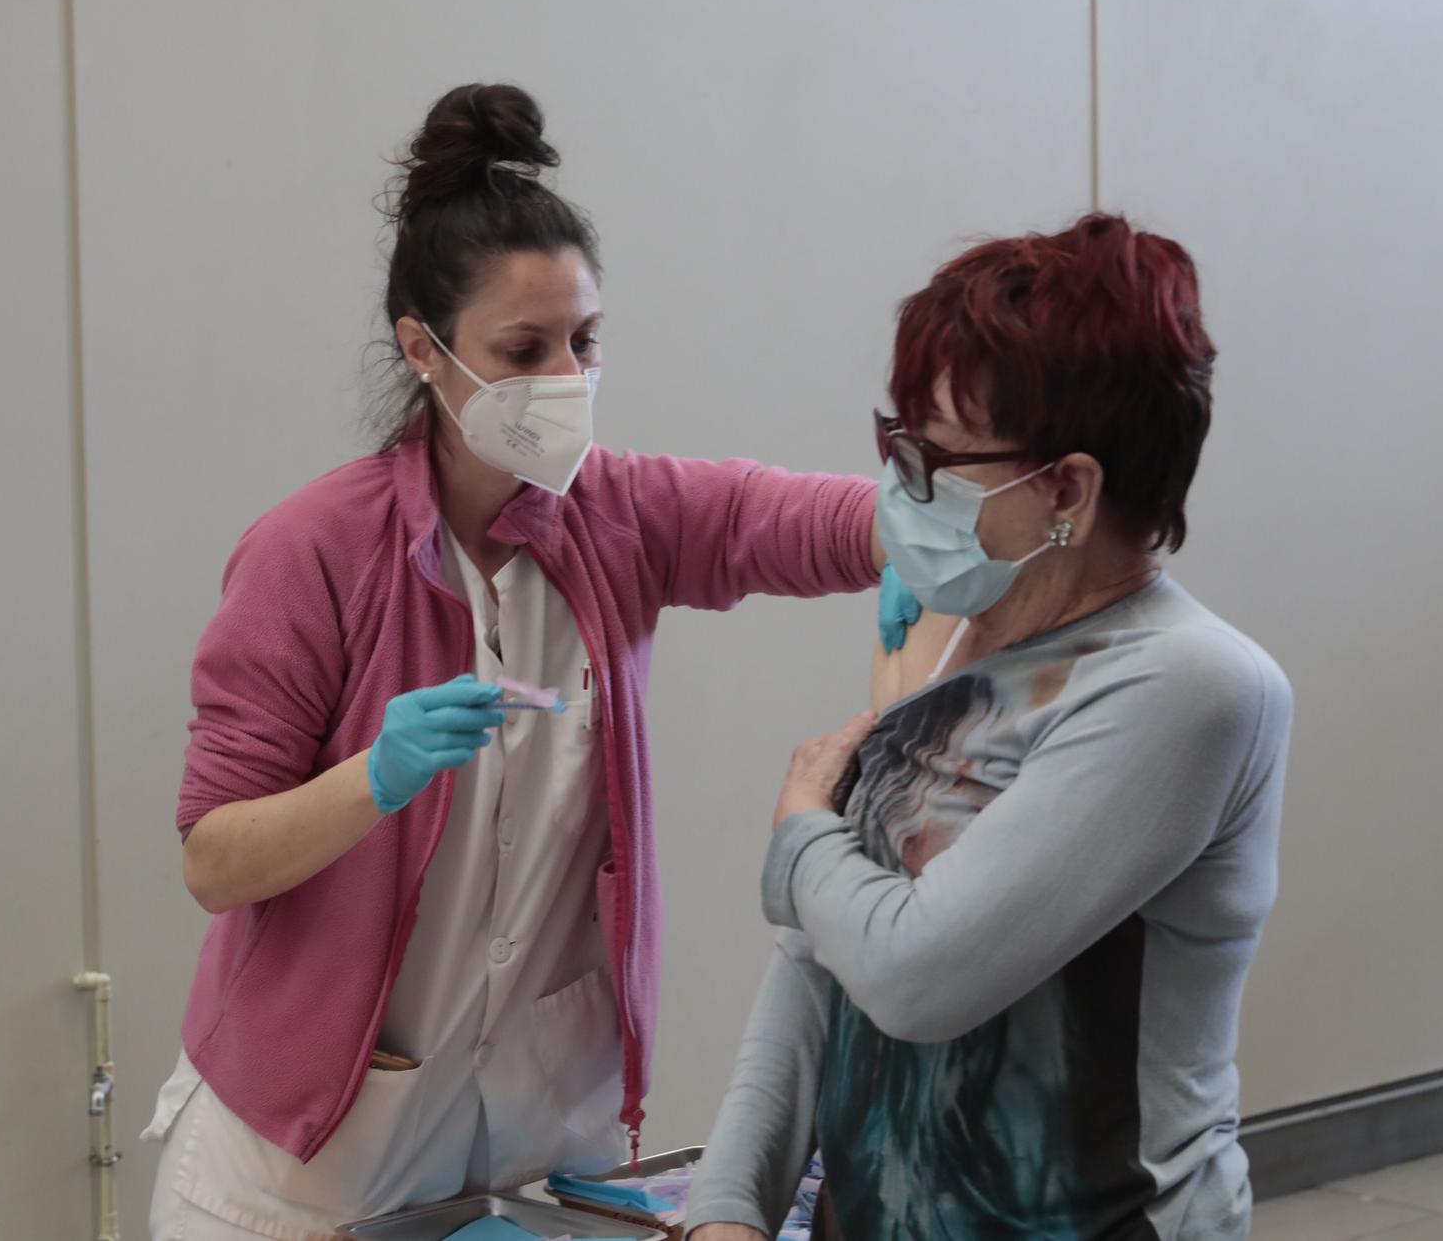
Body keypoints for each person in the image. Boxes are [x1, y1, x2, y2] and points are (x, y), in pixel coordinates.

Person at [141, 83, 888, 1241]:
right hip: (308, 1167)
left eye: (583, 344)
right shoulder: (314, 551)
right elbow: (213, 859)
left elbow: (777, 517)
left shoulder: (614, 516)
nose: (564, 380)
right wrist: (369, 782)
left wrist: (934, 510)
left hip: (533, 1133)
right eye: (522, 349)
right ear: (423, 350)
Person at [685, 215, 1293, 1240]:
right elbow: (813, 967)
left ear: (1066, 487)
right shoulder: (958, 640)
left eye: (931, 459)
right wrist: (725, 1208)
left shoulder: (1191, 687)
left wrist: (798, 832)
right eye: (894, 444)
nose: (895, 487)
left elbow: (914, 973)